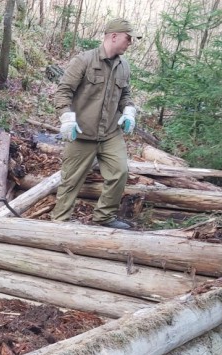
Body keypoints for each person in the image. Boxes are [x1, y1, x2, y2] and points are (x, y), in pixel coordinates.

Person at [51, 18, 141, 230]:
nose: (131, 43)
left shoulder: (124, 66)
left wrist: (129, 111)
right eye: (129, 38)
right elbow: (63, 92)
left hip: (110, 133)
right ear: (114, 36)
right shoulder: (84, 61)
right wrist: (66, 118)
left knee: (119, 172)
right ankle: (59, 222)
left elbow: (125, 95)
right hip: (81, 133)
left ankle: (104, 217)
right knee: (70, 180)